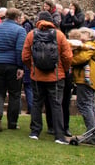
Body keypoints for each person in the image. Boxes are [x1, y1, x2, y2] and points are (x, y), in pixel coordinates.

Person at [21, 11, 72, 144]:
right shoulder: (59, 35)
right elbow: (68, 56)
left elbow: (25, 56)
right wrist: (63, 69)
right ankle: (59, 135)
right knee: (56, 104)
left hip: (37, 76)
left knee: (37, 103)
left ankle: (35, 132)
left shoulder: (31, 35)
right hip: (56, 76)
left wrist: (32, 67)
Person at [0, 7, 26, 131]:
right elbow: (20, 50)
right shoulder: (20, 30)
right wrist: (20, 66)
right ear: (17, 18)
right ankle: (12, 122)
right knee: (14, 94)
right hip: (12, 64)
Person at [72, 28, 95, 143]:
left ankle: (91, 134)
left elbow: (81, 58)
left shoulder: (90, 45)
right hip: (90, 77)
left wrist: (71, 59)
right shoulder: (93, 45)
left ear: (89, 35)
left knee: (84, 105)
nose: (80, 35)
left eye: (83, 33)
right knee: (90, 105)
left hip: (86, 78)